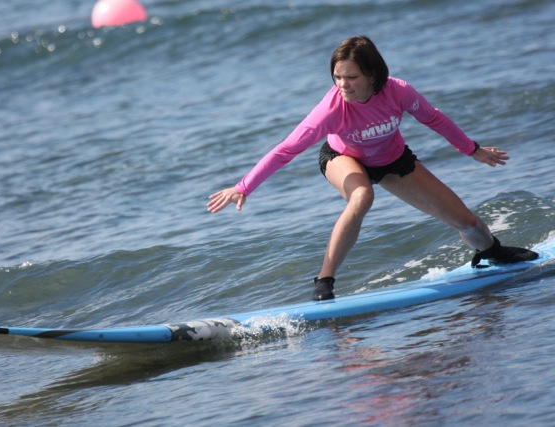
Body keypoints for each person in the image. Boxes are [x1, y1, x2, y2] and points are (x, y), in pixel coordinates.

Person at [207, 35, 538, 301]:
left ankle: (493, 253)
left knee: (469, 224)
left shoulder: (398, 91)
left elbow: (433, 118)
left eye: (351, 77)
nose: (343, 84)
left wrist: (472, 149)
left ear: (372, 76)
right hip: (342, 159)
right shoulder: (330, 111)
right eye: (337, 77)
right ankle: (324, 280)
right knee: (362, 196)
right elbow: (286, 150)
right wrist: (243, 187)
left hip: (392, 159)